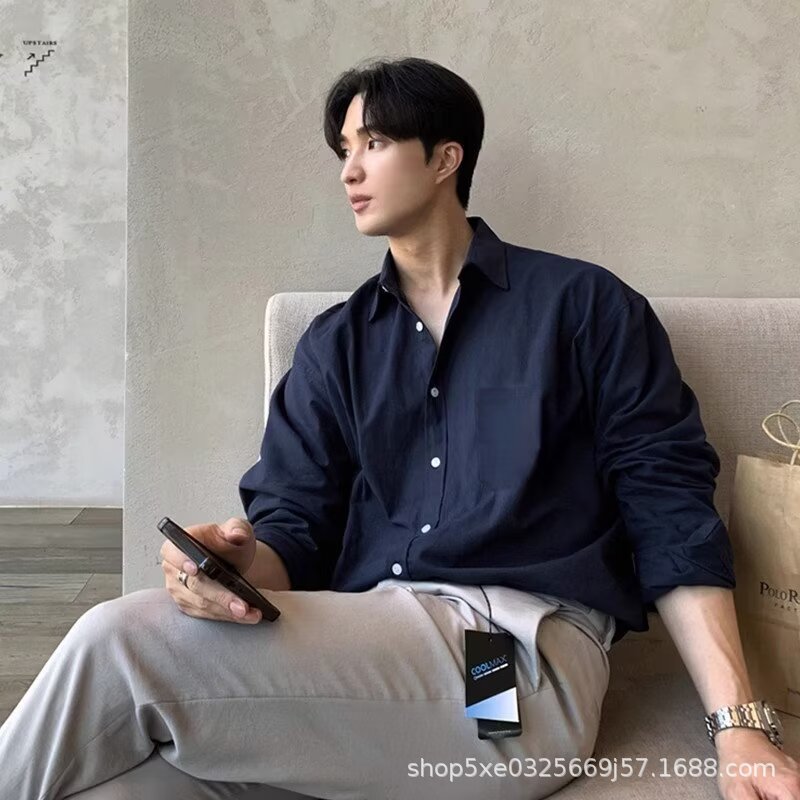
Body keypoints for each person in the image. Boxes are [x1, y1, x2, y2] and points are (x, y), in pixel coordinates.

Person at [1, 56, 797, 800]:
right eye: (344, 150)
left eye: (374, 144)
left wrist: (739, 727)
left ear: (446, 159)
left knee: (119, 639)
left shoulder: (583, 308)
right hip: (370, 653)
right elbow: (295, 530)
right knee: (126, 784)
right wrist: (238, 566)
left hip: (504, 660)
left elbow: (669, 507)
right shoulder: (335, 345)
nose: (349, 170)